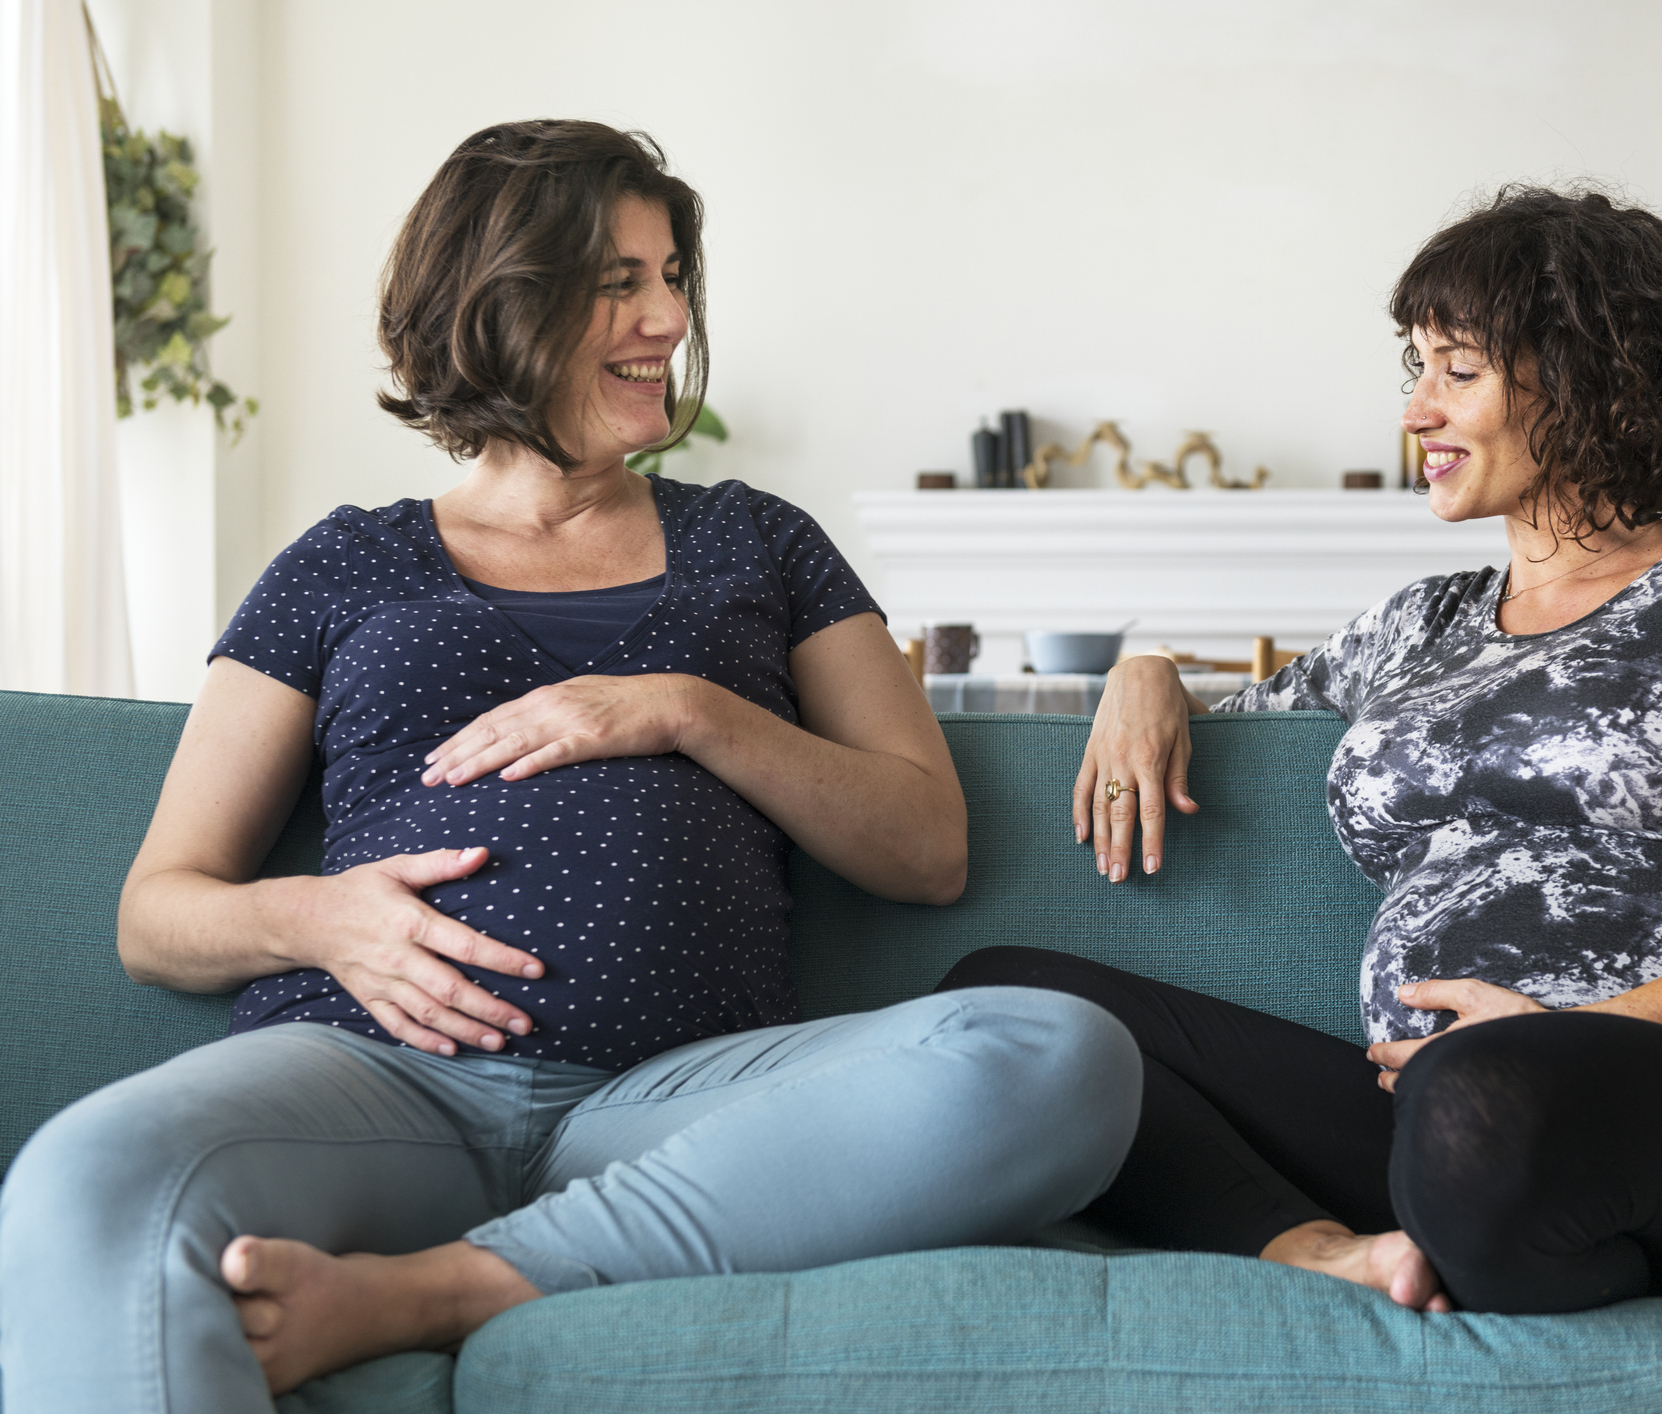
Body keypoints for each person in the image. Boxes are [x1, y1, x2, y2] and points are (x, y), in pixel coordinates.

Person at [0, 120, 1139, 1412]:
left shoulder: (759, 543)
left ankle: (442, 1287)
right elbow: (159, 912)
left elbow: (928, 846)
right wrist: (317, 916)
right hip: (375, 1076)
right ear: (498, 304)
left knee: (1063, 1056)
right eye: (619, 282)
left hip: (686, 1108)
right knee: (82, 1180)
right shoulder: (343, 561)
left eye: (671, 277)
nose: (665, 316)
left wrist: (689, 711)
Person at [939, 186, 1662, 1316]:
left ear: (1591, 380)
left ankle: (1502, 1229)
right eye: (1414, 370)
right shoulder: (1416, 625)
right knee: (1009, 1004)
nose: (1417, 411)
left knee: (1482, 1105)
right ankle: (1323, 1246)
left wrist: (1573, 1032)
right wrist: (1149, 670)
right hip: (1426, 1099)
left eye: (1458, 371)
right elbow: (1244, 713)